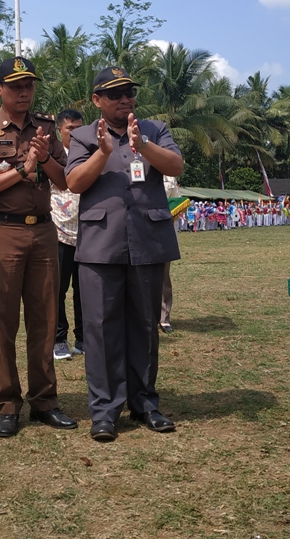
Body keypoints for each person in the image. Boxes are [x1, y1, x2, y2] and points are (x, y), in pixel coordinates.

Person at [65, 66, 184, 442]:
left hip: (147, 239)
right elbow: (74, 182)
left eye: (129, 92)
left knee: (146, 326)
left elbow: (175, 165)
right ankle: (104, 411)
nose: (124, 99)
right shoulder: (83, 136)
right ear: (97, 100)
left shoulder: (154, 130)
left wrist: (142, 146)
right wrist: (102, 153)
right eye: (114, 94)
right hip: (102, 243)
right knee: (101, 330)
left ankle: (145, 403)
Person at [0, 56, 77, 438]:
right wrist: (22, 169)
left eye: (28, 85)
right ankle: (8, 403)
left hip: (44, 232)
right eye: (15, 86)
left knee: (45, 319)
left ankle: (45, 400)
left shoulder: (45, 128)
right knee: (4, 320)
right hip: (3, 232)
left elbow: (66, 183)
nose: (24, 92)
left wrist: (44, 158)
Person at [50, 109, 85, 358]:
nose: (75, 133)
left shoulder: (89, 154)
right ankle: (58, 339)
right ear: (59, 130)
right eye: (70, 128)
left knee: (85, 291)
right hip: (59, 233)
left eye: (80, 128)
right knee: (57, 290)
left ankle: (84, 339)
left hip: (87, 233)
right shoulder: (51, 156)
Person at [160, 175, 182, 333]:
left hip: (163, 232)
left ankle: (164, 317)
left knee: (163, 277)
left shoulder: (168, 176)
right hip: (136, 231)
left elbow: (178, 202)